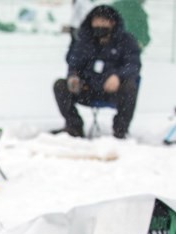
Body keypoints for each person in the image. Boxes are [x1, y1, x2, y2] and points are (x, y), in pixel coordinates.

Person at [52, 4, 141, 139]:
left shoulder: (126, 41)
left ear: (112, 23)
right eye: (96, 21)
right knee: (60, 85)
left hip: (113, 91)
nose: (99, 25)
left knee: (130, 87)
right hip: (87, 89)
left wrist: (117, 77)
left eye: (103, 21)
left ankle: (120, 132)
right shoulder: (84, 41)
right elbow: (74, 63)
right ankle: (74, 127)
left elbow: (133, 65)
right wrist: (73, 77)